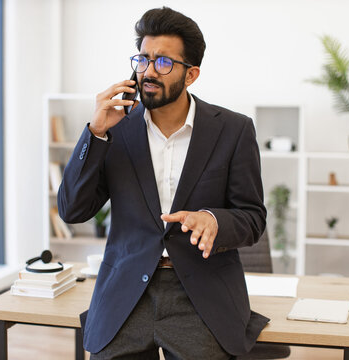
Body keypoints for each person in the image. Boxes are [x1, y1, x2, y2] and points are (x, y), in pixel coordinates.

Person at [58, 7, 268, 359]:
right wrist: (95, 133)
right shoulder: (115, 129)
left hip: (201, 294)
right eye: (143, 59)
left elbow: (252, 217)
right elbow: (73, 210)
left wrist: (216, 220)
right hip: (126, 293)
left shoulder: (233, 130)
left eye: (163, 62)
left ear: (191, 75)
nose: (149, 71)